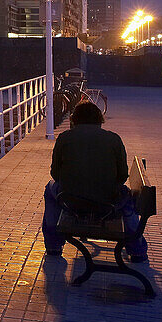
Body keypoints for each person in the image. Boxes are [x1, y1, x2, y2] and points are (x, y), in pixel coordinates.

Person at [40, 102, 147, 262]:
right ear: (99, 119)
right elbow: (122, 175)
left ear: (74, 120)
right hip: (106, 203)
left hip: (71, 201)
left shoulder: (64, 138)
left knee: (50, 190)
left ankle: (53, 246)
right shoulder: (113, 139)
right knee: (129, 199)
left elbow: (55, 174)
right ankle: (137, 250)